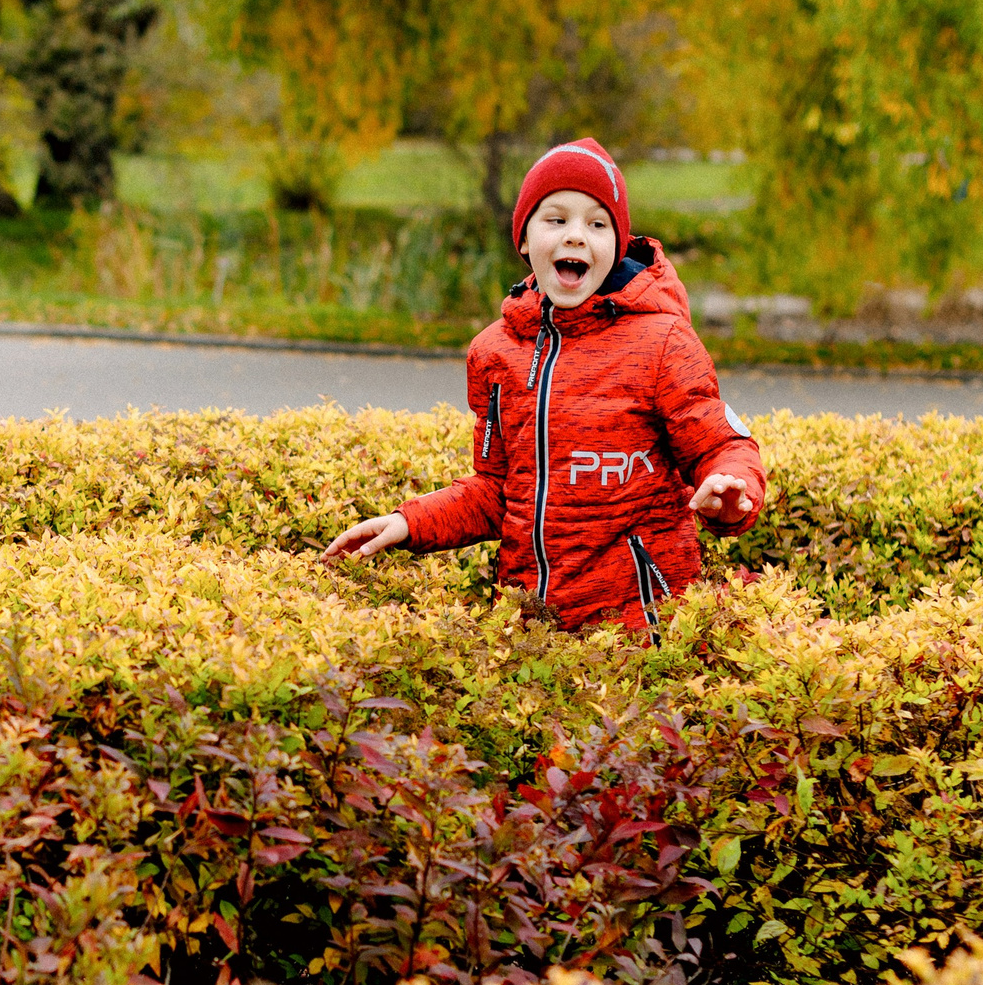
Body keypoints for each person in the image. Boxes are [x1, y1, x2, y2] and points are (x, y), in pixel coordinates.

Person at [323, 138, 766, 630]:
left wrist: (733, 491)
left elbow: (724, 445)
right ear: (525, 239)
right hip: (530, 629)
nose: (577, 236)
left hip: (642, 632)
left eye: (597, 224)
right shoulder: (493, 352)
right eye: (556, 219)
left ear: (616, 246)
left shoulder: (664, 341)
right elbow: (497, 490)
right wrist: (411, 522)